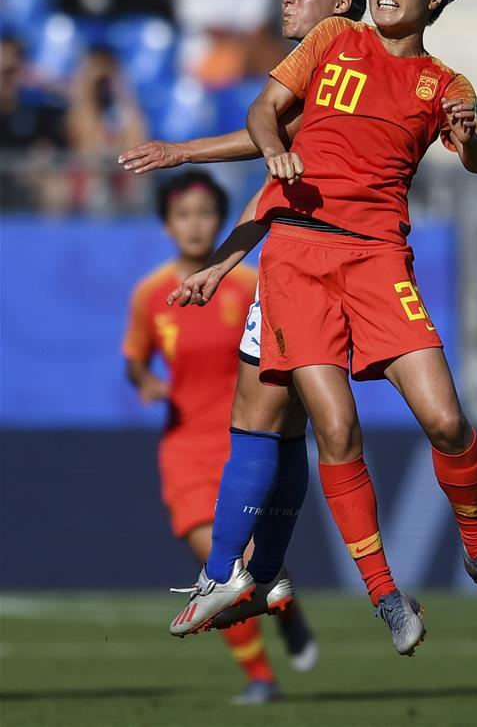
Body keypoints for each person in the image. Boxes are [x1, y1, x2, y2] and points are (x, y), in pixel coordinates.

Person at [169, 0, 477, 657]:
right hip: (300, 258)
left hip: (378, 261)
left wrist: (469, 139)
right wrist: (272, 148)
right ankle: (384, 596)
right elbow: (264, 110)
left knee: (446, 418)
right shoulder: (336, 38)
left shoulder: (445, 82)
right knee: (335, 431)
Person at [118, 0, 370, 635]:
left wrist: (190, 161)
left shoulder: (337, 54)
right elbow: (275, 162)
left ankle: (235, 574)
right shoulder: (342, 64)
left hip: (315, 267)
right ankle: (261, 577)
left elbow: (273, 153)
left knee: (271, 423)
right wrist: (183, 154)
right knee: (290, 428)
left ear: (343, 3)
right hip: (339, 266)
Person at [122, 170, 314, 704]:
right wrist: (146, 382)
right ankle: (261, 677)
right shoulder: (150, 294)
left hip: (244, 443)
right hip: (184, 448)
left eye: (205, 213)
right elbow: (134, 359)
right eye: (183, 214)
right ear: (167, 225)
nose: (194, 224)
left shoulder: (249, 283)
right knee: (219, 565)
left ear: (222, 220)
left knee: (243, 565)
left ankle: (286, 612)